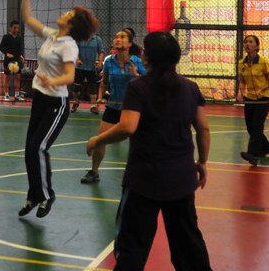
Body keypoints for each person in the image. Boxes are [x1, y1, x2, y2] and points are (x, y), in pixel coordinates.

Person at [86, 32, 212, 271]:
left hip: (144, 181)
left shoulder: (138, 87)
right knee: (189, 246)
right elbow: (203, 129)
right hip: (181, 179)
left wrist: (97, 139)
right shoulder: (190, 88)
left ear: (147, 58)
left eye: (144, 48)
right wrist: (202, 162)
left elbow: (128, 127)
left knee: (132, 247)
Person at [18, 0, 99, 218]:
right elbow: (28, 18)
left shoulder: (69, 45)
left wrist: (51, 81)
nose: (64, 13)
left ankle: (46, 195)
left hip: (57, 103)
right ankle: (34, 195)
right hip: (40, 99)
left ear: (71, 25)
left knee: (38, 148)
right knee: (29, 150)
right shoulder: (53, 35)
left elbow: (70, 76)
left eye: (68, 14)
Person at [82, 29, 146, 184]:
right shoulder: (109, 61)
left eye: (122, 37)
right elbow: (104, 83)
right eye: (116, 37)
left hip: (134, 109)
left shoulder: (138, 62)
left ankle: (143, 174)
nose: (118, 39)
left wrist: (137, 76)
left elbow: (149, 82)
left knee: (140, 144)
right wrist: (99, 97)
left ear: (130, 43)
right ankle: (94, 172)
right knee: (100, 140)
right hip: (114, 106)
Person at [237, 34, 269, 166]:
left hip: (263, 99)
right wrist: (240, 93)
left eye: (250, 42)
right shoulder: (241, 63)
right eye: (246, 42)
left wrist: (262, 90)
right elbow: (243, 81)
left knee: (257, 126)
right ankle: (267, 147)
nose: (247, 44)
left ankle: (252, 155)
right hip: (250, 99)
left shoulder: (263, 62)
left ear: (257, 46)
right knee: (250, 128)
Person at [72, 33, 104, 114]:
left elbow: (101, 51)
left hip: (91, 68)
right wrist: (77, 59)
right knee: (76, 86)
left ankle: (93, 106)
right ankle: (75, 102)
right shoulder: (79, 38)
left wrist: (100, 62)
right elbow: (75, 50)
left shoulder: (97, 39)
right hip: (79, 67)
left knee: (93, 87)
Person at [0, 20, 25, 102]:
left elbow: (20, 49)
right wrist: (6, 53)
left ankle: (17, 94)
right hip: (8, 61)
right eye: (14, 28)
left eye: (17, 28)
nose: (16, 30)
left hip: (16, 61)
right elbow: (1, 47)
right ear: (11, 27)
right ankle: (6, 95)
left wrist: (21, 56)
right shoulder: (6, 37)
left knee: (18, 77)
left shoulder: (19, 38)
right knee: (7, 78)